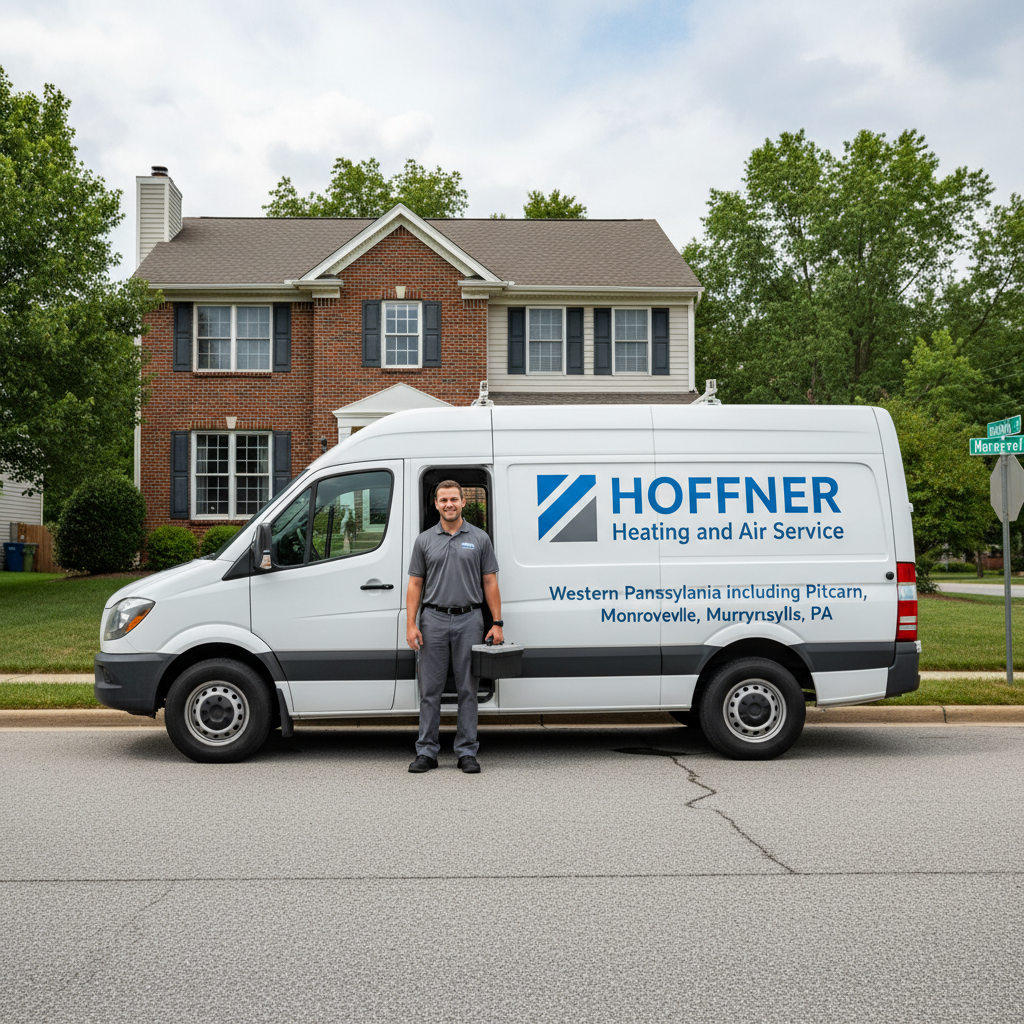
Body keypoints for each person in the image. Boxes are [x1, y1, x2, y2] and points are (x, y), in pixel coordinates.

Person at [406, 480, 503, 774]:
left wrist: (497, 622)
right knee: (430, 690)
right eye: (443, 500)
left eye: (454, 499)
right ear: (435, 504)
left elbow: (490, 582)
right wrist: (411, 623)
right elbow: (415, 584)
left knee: (467, 689)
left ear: (463, 502)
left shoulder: (480, 538)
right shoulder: (424, 541)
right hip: (432, 620)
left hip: (469, 619)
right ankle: (427, 752)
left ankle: (466, 752)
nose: (449, 504)